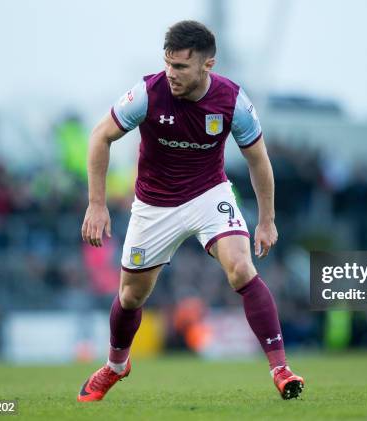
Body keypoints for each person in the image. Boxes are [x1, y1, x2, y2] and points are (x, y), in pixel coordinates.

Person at [77, 20, 304, 401]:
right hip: (153, 205)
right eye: (168, 64)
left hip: (208, 194)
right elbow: (100, 136)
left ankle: (280, 369)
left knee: (242, 268)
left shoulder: (232, 101)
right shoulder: (147, 93)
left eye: (181, 67)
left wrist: (267, 220)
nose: (171, 74)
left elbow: (259, 162)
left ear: (207, 65)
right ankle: (116, 366)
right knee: (131, 297)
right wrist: (97, 205)